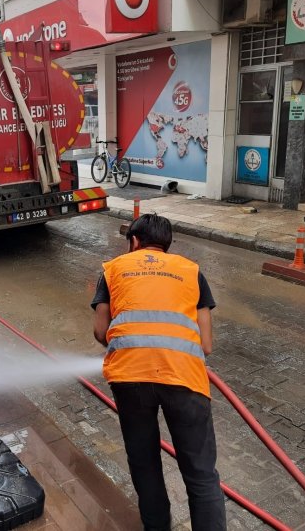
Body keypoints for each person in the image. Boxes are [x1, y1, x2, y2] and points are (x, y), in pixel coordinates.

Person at [92, 214, 225, 531]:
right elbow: (205, 344)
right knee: (201, 474)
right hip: (184, 377)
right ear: (167, 245)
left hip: (130, 378)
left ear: (134, 242)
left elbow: (101, 332)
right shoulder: (192, 272)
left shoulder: (113, 270)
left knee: (145, 463)